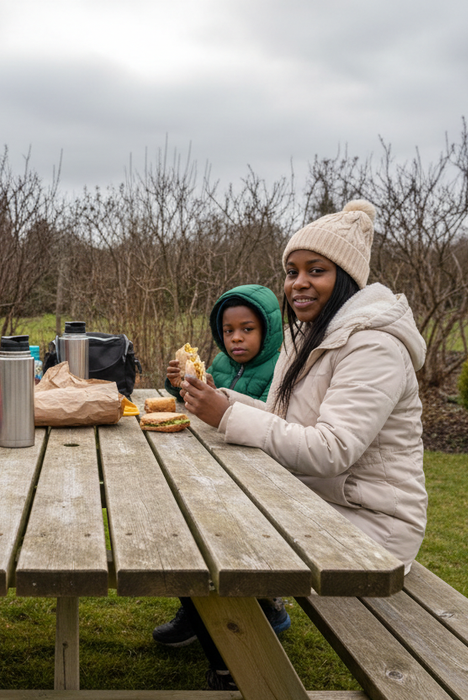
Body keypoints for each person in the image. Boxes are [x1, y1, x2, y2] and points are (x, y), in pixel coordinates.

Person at [179, 200, 428, 690]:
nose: (298, 283)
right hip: (315, 504)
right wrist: (218, 397)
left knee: (207, 533)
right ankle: (216, 627)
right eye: (292, 271)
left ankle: (240, 666)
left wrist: (226, 416)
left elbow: (332, 449)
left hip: (368, 529)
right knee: (190, 510)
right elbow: (278, 420)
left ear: (348, 279)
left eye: (316, 271)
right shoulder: (310, 335)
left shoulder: (374, 345)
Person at [154, 284, 290, 648]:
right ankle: (196, 610)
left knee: (242, 540)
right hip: (216, 466)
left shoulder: (281, 368)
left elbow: (273, 417)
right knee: (180, 520)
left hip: (260, 474)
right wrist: (179, 387)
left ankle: (268, 605)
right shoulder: (218, 364)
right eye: (228, 331)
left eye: (247, 329)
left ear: (268, 330)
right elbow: (201, 409)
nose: (236, 339)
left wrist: (223, 402)